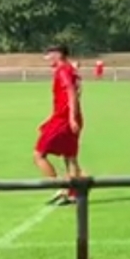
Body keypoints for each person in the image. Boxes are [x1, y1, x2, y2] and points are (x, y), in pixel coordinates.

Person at [33, 44, 86, 206]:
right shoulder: (69, 69)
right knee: (70, 157)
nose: (47, 58)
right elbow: (77, 90)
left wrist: (70, 117)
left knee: (38, 155)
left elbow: (71, 92)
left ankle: (60, 188)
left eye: (49, 54)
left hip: (63, 119)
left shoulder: (63, 71)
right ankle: (74, 193)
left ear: (58, 54)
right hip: (70, 117)